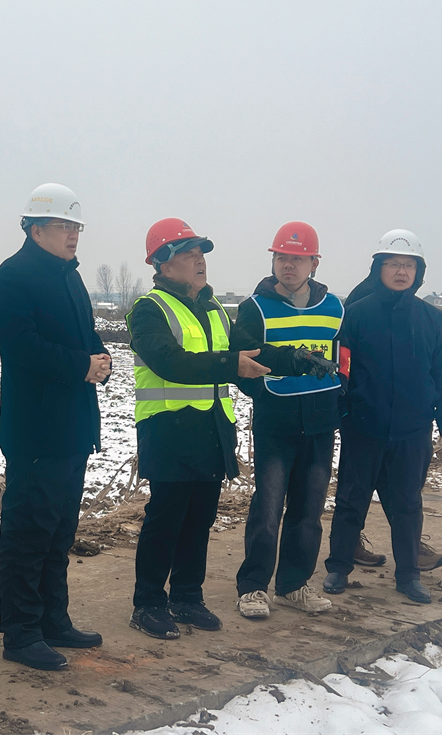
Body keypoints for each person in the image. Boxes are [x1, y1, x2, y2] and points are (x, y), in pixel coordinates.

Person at [126, 218, 333, 639]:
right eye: (188, 255)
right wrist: (230, 364)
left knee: (199, 519)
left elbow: (251, 350)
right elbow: (169, 361)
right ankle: (148, 603)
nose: (199, 261)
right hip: (168, 431)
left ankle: (187, 597)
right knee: (165, 520)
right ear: (163, 264)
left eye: (200, 253)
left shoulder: (213, 308)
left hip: (211, 430)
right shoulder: (149, 309)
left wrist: (296, 360)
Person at [0, 184, 111, 671]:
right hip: (36, 428)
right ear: (35, 229)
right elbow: (23, 348)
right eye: (64, 226)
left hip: (73, 426)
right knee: (28, 532)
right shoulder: (13, 278)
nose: (72, 235)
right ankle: (20, 632)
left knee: (59, 532)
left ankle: (52, 619)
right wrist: (81, 365)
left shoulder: (69, 277)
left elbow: (83, 335)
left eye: (76, 227)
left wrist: (100, 358)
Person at [323, 230, 442, 605]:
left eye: (408, 265)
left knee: (407, 505)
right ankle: (338, 568)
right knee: (351, 501)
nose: (401, 272)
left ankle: (408, 575)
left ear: (418, 272)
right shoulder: (356, 315)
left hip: (412, 431)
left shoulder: (431, 319)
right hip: (364, 427)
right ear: (378, 269)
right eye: (393, 264)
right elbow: (341, 371)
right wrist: (345, 412)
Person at [232, 222, 343, 620]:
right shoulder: (254, 308)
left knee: (309, 510)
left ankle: (294, 585)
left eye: (297, 259)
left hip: (320, 422)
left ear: (314, 263)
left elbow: (343, 361)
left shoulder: (335, 309)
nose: (288, 266)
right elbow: (243, 364)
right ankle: (253, 586)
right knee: (267, 507)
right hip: (275, 423)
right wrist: (262, 394)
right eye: (282, 258)